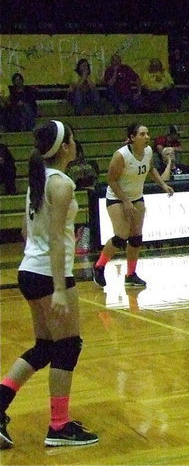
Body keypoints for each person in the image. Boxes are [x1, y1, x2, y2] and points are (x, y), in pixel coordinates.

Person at [0, 120, 99, 448]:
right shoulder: (62, 184)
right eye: (72, 138)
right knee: (68, 346)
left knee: (44, 347)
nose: (75, 143)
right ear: (66, 146)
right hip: (48, 274)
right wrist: (59, 288)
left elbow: (27, 231)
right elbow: (57, 238)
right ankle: (58, 426)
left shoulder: (39, 179)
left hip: (29, 270)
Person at [92, 123, 174, 289]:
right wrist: (126, 201)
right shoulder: (121, 155)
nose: (147, 137)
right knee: (121, 237)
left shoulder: (148, 151)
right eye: (142, 134)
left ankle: (130, 275)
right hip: (117, 198)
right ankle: (99, 266)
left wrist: (163, 185)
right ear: (132, 138)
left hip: (137, 197)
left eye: (147, 134)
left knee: (136, 237)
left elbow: (151, 169)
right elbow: (111, 180)